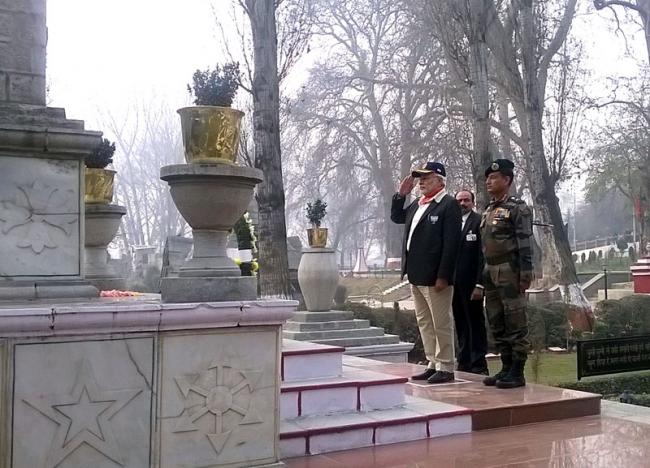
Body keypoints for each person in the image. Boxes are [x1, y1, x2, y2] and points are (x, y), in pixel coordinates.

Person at [391, 162, 461, 384]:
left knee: (441, 322)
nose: (421, 182)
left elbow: (451, 244)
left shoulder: (448, 205)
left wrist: (444, 275)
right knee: (425, 322)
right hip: (416, 273)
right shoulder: (418, 204)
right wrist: (401, 196)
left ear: (440, 181)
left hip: (435, 276)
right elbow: (397, 217)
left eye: (427, 178)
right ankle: (433, 362)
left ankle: (446, 365)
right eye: (420, 178)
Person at [480, 159, 533, 389]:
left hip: (510, 271)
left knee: (515, 320)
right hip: (490, 271)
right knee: (496, 320)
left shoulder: (518, 208)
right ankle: (506, 366)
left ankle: (517, 371)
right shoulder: (489, 209)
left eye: (494, 178)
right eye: (487, 178)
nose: (488, 182)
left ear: (507, 180)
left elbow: (525, 243)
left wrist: (526, 274)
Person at [453, 190, 489, 375]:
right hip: (453, 284)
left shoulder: (479, 222)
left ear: (472, 203)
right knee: (460, 322)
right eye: (459, 200)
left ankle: (479, 364)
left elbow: (483, 256)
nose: (462, 203)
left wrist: (480, 284)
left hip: (472, 284)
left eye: (466, 200)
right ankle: (464, 360)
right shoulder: (451, 223)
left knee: (475, 323)